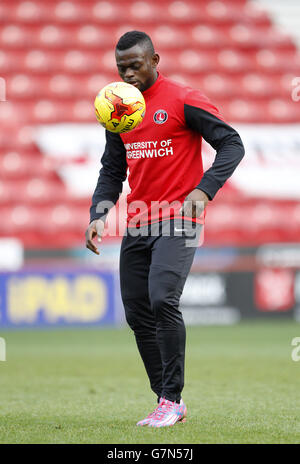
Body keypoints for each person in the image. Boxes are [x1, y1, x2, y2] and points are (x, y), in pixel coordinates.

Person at [85, 31, 245, 428]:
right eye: (121, 66)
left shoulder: (183, 99)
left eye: (135, 65)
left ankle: (172, 398)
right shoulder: (119, 109)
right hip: (138, 219)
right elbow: (112, 169)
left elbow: (232, 144)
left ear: (155, 59)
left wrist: (204, 190)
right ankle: (165, 398)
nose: (127, 72)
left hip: (179, 217)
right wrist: (98, 214)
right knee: (137, 311)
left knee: (162, 299)